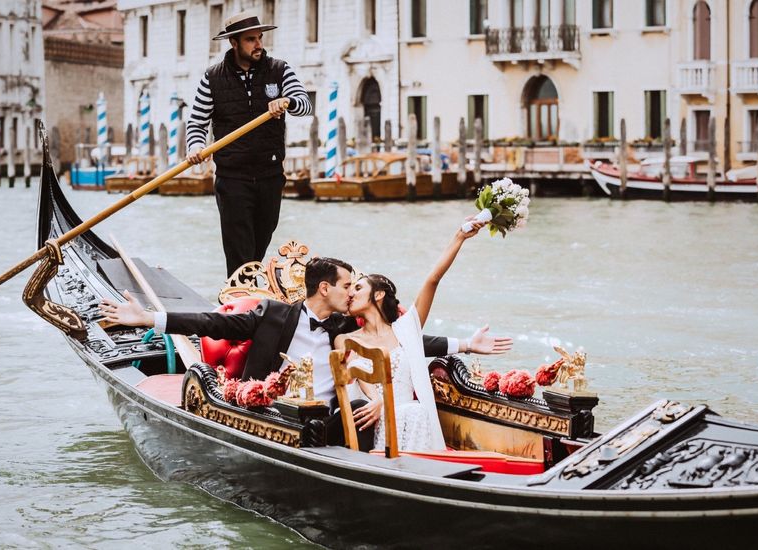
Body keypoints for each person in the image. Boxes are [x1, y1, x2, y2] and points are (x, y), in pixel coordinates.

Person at [98, 256, 512, 449]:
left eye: (356, 287)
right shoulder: (272, 315)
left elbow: (397, 339)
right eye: (347, 285)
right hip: (272, 418)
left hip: (328, 422)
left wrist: (464, 345)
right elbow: (213, 324)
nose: (352, 293)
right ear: (325, 288)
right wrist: (149, 318)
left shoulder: (344, 324)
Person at [334, 220, 486, 452]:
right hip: (368, 416)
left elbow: (432, 280)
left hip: (408, 419)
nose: (350, 294)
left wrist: (459, 237)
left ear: (379, 294)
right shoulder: (345, 339)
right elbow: (356, 373)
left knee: (414, 411)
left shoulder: (406, 329)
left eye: (358, 288)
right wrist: (378, 401)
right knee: (408, 411)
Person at [185, 11, 313, 276]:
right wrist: (195, 147)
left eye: (260, 38)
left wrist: (287, 101)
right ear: (234, 43)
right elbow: (197, 123)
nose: (259, 45)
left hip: (270, 174)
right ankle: (238, 303)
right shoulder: (212, 78)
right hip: (233, 178)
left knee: (258, 246)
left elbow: (305, 105)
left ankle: (245, 299)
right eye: (250, 40)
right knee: (239, 251)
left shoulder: (279, 70)